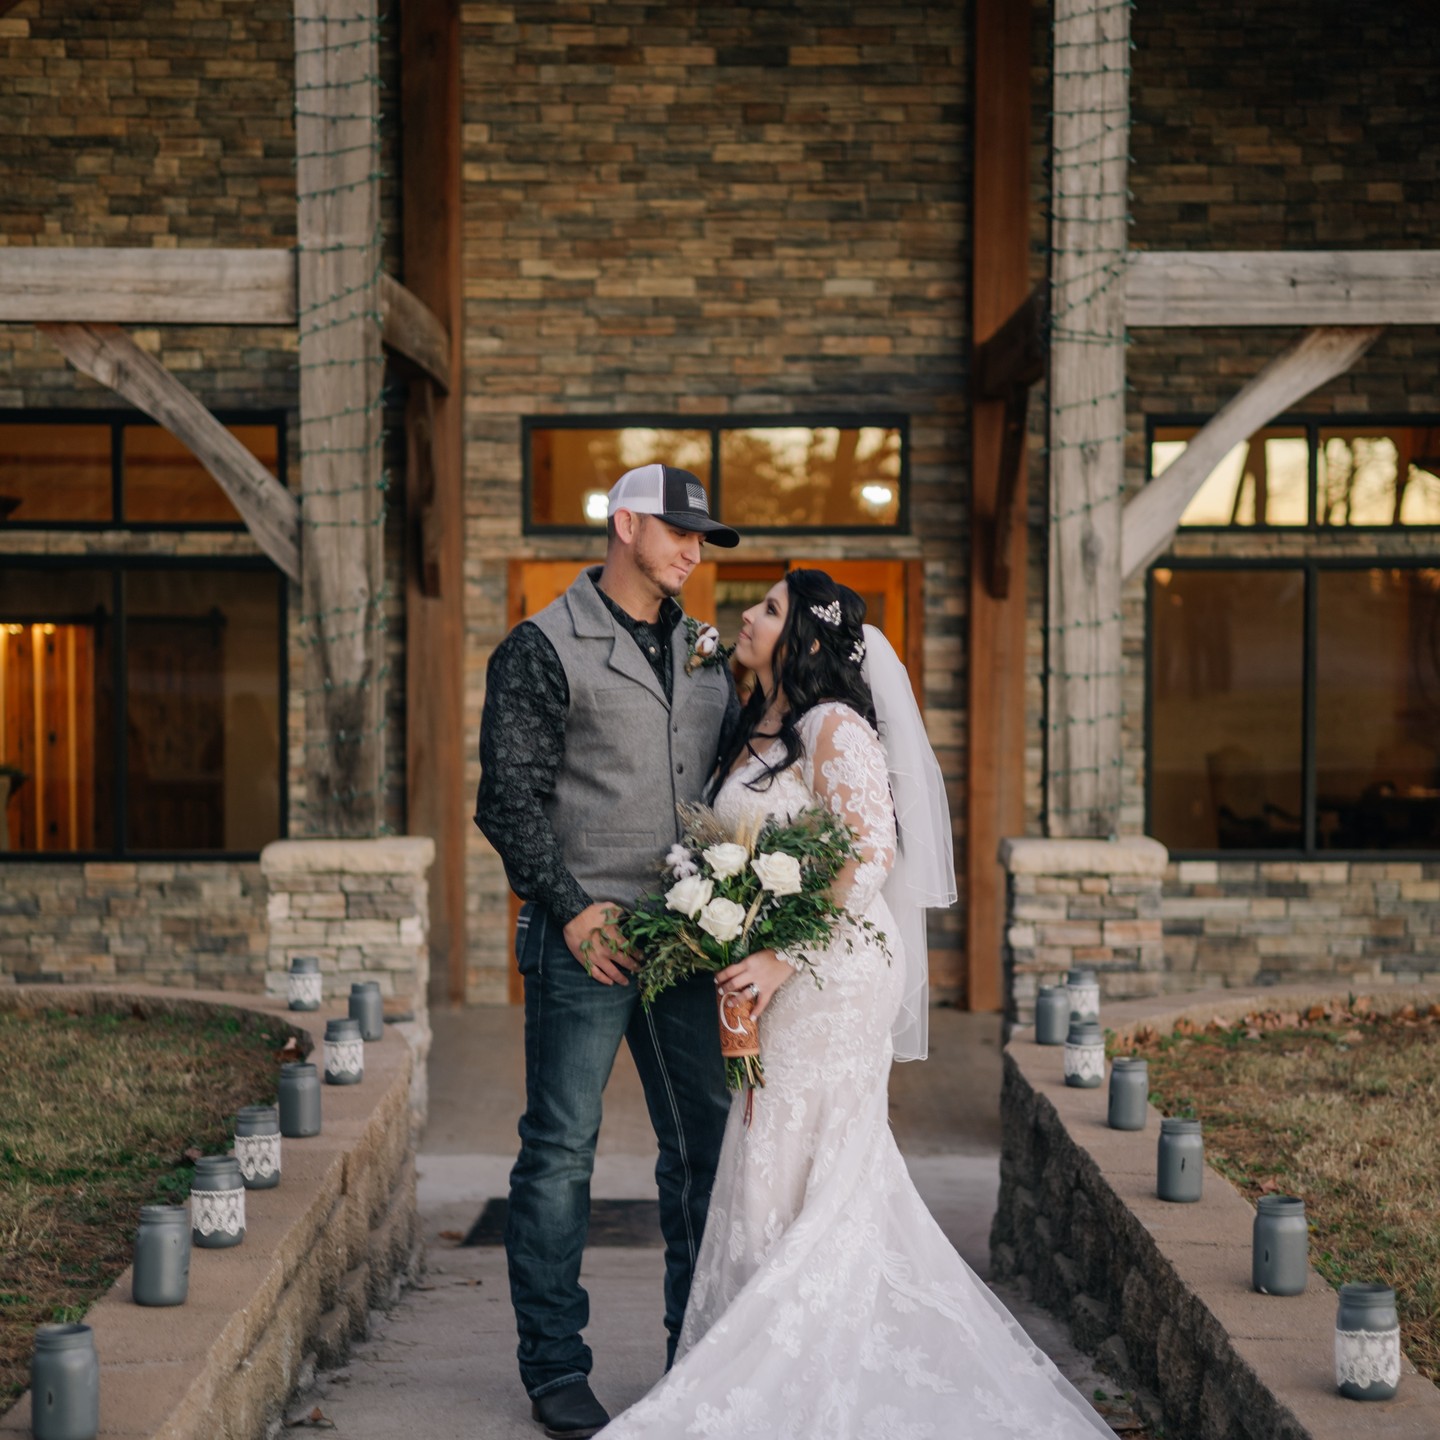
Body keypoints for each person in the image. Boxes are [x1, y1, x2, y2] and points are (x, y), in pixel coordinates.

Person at [596, 569, 1116, 1439]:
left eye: (769, 609)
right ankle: (769, 1352)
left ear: (801, 639)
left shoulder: (835, 728)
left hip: (830, 973)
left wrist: (777, 955)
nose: (749, 618)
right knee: (773, 1151)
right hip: (773, 971)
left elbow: (871, 852)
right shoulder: (755, 726)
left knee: (796, 1147)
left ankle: (786, 1367)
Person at [476, 464, 740, 1440]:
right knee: (558, 1158)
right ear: (625, 524)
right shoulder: (541, 647)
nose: (695, 551)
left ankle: (697, 1352)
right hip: (580, 944)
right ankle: (554, 1371)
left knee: (705, 1157)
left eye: (704, 539)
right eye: (680, 532)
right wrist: (575, 912)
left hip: (685, 943)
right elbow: (506, 799)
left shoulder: (709, 654)